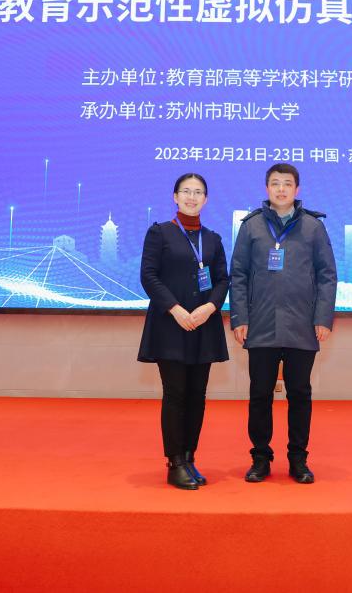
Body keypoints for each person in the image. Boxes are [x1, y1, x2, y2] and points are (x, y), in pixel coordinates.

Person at [229, 163, 337, 484]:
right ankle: (260, 458)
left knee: (300, 393)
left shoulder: (313, 227)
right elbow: (238, 276)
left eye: (287, 183)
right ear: (267, 188)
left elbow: (327, 276)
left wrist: (322, 318)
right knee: (260, 393)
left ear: (296, 190)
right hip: (260, 324)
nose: (281, 189)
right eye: (275, 183)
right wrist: (240, 318)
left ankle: (298, 458)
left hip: (302, 325)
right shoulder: (251, 226)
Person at [138, 173, 230, 490]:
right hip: (171, 325)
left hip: (203, 325)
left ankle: (190, 458)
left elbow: (223, 279)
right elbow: (149, 276)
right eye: (186, 191)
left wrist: (210, 307)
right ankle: (174, 462)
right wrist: (175, 309)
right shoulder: (160, 233)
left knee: (197, 396)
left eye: (198, 192)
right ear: (175, 197)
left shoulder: (213, 239)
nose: (192, 197)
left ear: (206, 199)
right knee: (175, 394)